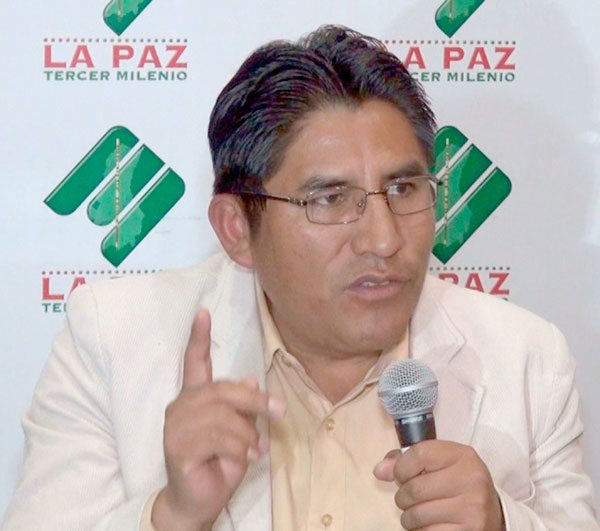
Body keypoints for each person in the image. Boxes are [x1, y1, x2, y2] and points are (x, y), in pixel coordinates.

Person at [2, 25, 598, 531]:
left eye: (403, 188)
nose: (384, 239)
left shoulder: (528, 358)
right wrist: (172, 516)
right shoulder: (113, 341)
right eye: (330, 199)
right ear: (237, 228)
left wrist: (503, 522)